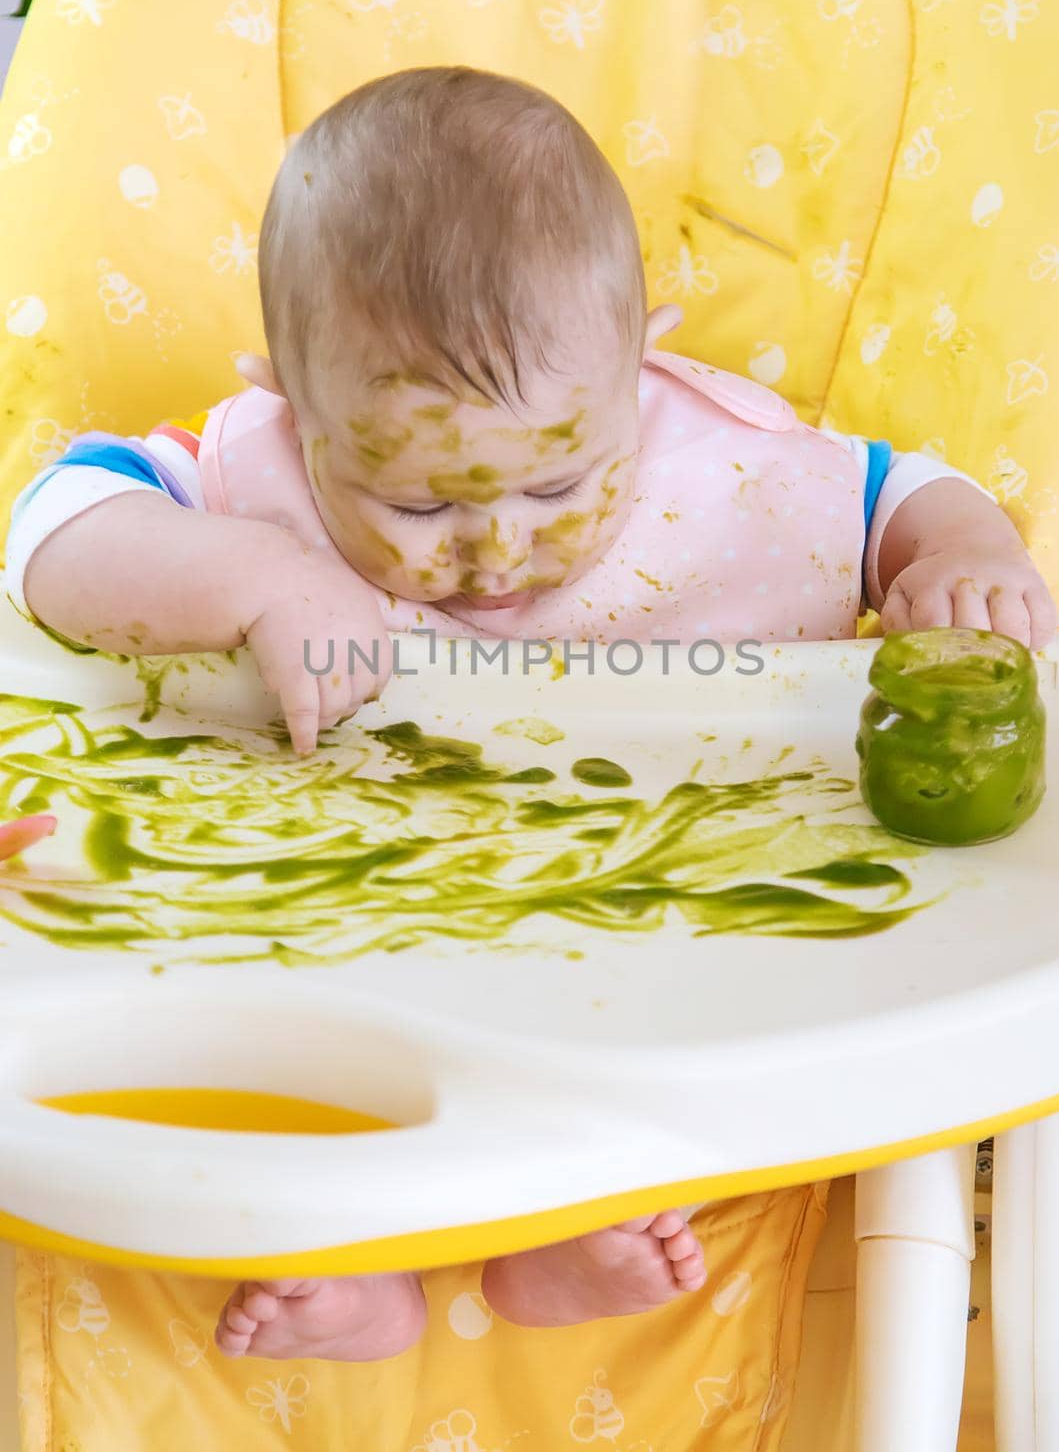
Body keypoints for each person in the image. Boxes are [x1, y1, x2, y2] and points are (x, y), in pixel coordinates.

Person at [6, 67, 1054, 1361]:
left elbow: (904, 495)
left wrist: (959, 562)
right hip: (357, 912)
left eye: (563, 481)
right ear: (293, 403)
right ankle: (360, 1266)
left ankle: (553, 1239)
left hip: (640, 918)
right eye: (422, 508)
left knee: (744, 1042)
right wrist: (262, 579)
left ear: (641, 362)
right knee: (252, 1075)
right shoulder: (251, 477)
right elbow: (51, 533)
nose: (499, 547)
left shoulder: (721, 459)